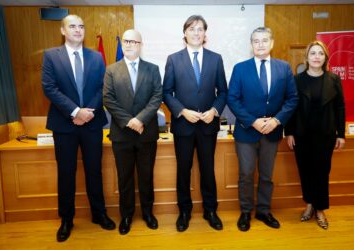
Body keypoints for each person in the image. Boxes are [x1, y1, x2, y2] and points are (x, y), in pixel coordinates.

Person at [41, 15, 115, 242]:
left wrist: (87, 113)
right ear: (63, 30)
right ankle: (66, 219)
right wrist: (75, 112)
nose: (77, 30)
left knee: (94, 170)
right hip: (64, 124)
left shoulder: (96, 57)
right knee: (66, 172)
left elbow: (102, 87)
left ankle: (99, 213)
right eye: (72, 26)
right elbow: (49, 88)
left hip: (92, 123)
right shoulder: (51, 56)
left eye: (81, 26)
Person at [227, 27, 298, 232]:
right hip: (246, 132)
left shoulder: (283, 68)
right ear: (251, 45)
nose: (260, 44)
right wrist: (253, 121)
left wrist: (276, 121)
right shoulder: (240, 68)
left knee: (267, 175)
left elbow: (292, 98)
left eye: (264, 40)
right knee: (246, 174)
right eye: (256, 41)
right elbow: (233, 99)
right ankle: (246, 212)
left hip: (272, 132)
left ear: (271, 43)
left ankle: (264, 211)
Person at [163, 15, 227, 232]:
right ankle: (184, 211)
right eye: (192, 29)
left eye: (200, 29)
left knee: (208, 170)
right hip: (184, 126)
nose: (196, 32)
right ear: (185, 34)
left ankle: (211, 210)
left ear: (205, 34)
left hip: (208, 124)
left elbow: (223, 92)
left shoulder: (216, 59)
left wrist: (214, 110)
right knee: (184, 170)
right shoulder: (173, 59)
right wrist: (181, 111)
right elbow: (166, 92)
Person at [103, 29, 162, 235]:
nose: (129, 44)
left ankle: (148, 213)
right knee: (124, 177)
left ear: (140, 44)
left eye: (133, 41)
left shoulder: (153, 69)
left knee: (146, 176)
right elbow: (108, 99)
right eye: (126, 41)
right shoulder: (111, 70)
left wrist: (140, 119)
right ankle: (126, 216)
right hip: (122, 134)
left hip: (146, 133)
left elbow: (157, 97)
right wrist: (129, 121)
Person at [285, 41, 345, 230]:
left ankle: (320, 209)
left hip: (325, 135)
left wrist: (341, 134)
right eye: (313, 53)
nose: (317, 56)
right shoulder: (297, 80)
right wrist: (289, 132)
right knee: (305, 171)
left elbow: (340, 107)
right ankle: (309, 204)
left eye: (320, 53)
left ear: (325, 57)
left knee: (321, 172)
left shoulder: (334, 79)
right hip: (302, 135)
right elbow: (290, 107)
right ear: (307, 57)